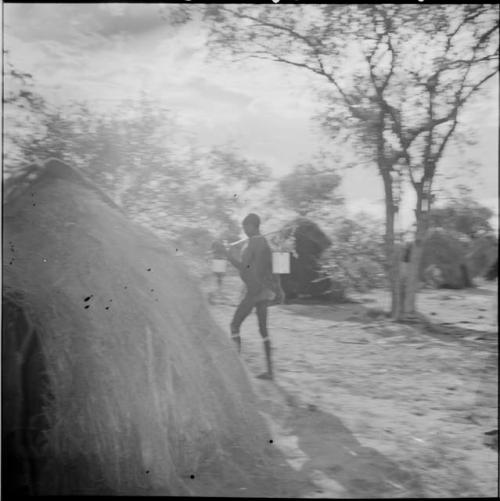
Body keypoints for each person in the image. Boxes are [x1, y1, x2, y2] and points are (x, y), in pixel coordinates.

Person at [214, 213, 281, 380]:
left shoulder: (253, 243)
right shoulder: (264, 243)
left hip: (254, 292)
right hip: (264, 292)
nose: (244, 230)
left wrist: (226, 253)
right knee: (263, 331)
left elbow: (243, 268)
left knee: (234, 325)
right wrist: (278, 290)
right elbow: (273, 269)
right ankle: (270, 372)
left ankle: (236, 369)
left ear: (253, 226)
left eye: (246, 226)